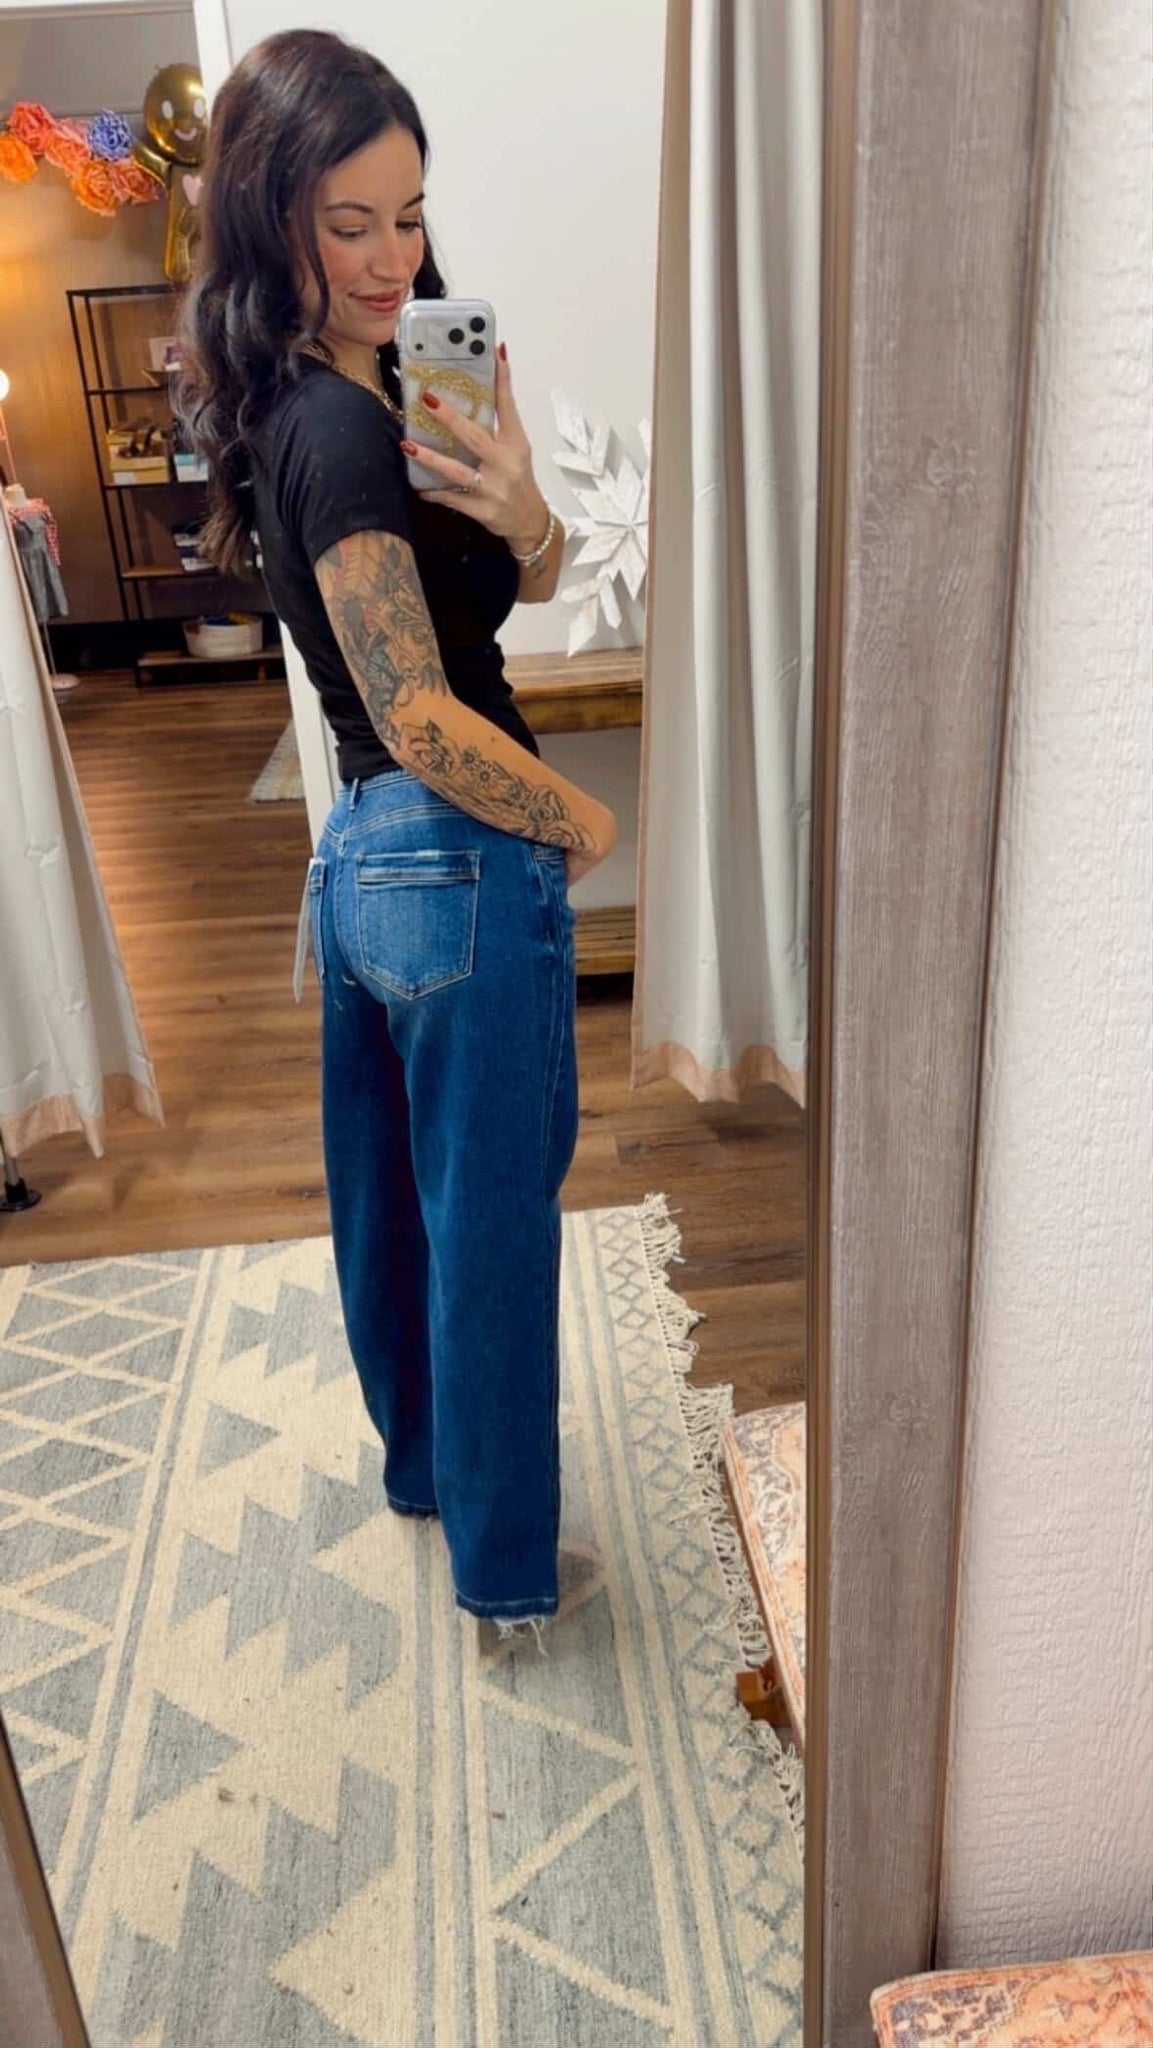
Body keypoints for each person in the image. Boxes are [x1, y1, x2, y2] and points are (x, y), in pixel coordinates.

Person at [180, 29, 617, 1636]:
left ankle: (431, 1474)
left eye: (410, 214)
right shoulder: (340, 429)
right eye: (347, 223)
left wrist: (519, 505)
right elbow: (423, 710)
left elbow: (526, 582)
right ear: (270, 217)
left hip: (372, 862)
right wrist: (577, 819)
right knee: (487, 1231)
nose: (389, 258)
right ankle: (505, 1577)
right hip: (453, 849)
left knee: (397, 1209)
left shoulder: (367, 394)